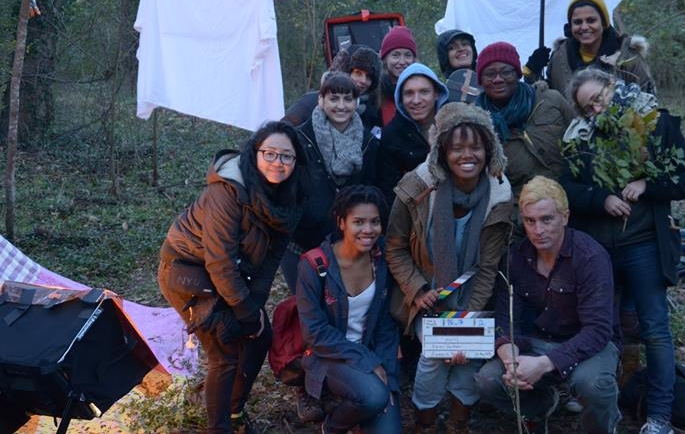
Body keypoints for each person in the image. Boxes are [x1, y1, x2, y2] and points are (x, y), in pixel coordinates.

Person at [560, 68, 685, 434]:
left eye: (598, 98)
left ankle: (659, 415)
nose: (596, 109)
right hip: (598, 249)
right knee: (597, 325)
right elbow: (567, 186)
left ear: (613, 88)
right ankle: (599, 398)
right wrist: (600, 199)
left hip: (643, 244)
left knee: (654, 328)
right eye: (587, 107)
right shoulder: (578, 139)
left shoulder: (656, 123)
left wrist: (647, 184)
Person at [158, 121, 309, 434]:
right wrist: (245, 313)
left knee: (260, 337)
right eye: (269, 154)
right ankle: (220, 427)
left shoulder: (289, 196)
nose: (277, 162)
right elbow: (220, 262)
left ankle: (234, 412)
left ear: (296, 161)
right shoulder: (226, 192)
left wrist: (255, 307)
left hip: (232, 273)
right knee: (224, 348)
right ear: (255, 154)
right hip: (189, 272)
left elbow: (272, 257)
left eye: (286, 156)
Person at [385, 102, 513, 434]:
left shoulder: (499, 196)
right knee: (432, 359)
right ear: (442, 151)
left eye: (476, 147)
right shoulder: (417, 187)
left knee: (467, 361)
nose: (467, 155)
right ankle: (425, 423)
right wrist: (417, 289)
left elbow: (488, 268)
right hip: (426, 297)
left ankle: (459, 423)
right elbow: (395, 246)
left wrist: (466, 324)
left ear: (489, 150)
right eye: (457, 148)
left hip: (472, 299)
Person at [475, 176, 621, 434]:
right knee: (488, 380)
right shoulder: (516, 257)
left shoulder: (590, 257)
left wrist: (544, 364)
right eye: (530, 221)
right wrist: (510, 358)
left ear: (565, 217)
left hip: (589, 344)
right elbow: (506, 318)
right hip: (538, 340)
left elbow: (598, 330)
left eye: (546, 219)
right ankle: (539, 408)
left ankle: (601, 429)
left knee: (594, 385)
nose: (538, 230)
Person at [296, 185, 401, 434]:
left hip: (372, 355)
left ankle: (360, 408)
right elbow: (315, 333)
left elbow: (386, 324)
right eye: (359, 222)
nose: (368, 230)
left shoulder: (382, 260)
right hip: (329, 356)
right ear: (341, 222)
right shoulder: (315, 265)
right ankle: (332, 427)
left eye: (375, 222)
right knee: (374, 396)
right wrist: (368, 362)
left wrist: (387, 375)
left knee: (386, 419)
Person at [281, 71, 380, 293]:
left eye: (348, 99)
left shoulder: (368, 143)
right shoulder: (300, 138)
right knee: (304, 306)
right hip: (300, 243)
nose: (341, 106)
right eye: (334, 99)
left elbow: (370, 189)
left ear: (356, 103)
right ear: (321, 100)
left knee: (338, 304)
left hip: (346, 244)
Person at [474, 42, 574, 194]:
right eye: (489, 74)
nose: (498, 79)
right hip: (519, 204)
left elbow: (581, 141)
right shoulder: (477, 124)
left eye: (506, 72)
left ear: (517, 74)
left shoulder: (550, 100)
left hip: (568, 197)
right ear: (481, 80)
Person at [524, 0, 655, 95]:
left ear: (604, 23)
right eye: (577, 22)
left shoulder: (628, 55)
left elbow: (648, 98)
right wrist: (532, 75)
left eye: (591, 20)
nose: (584, 27)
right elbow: (548, 100)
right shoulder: (559, 56)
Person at [377, 63, 449, 206]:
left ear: (436, 94)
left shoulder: (453, 125)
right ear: (400, 98)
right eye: (409, 93)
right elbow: (389, 190)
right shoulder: (392, 135)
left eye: (424, 92)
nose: (416, 100)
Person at [379, 25, 419, 126]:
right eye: (395, 55)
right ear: (385, 58)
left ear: (414, 59)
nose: (402, 62)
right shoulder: (376, 92)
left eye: (407, 55)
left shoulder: (424, 88)